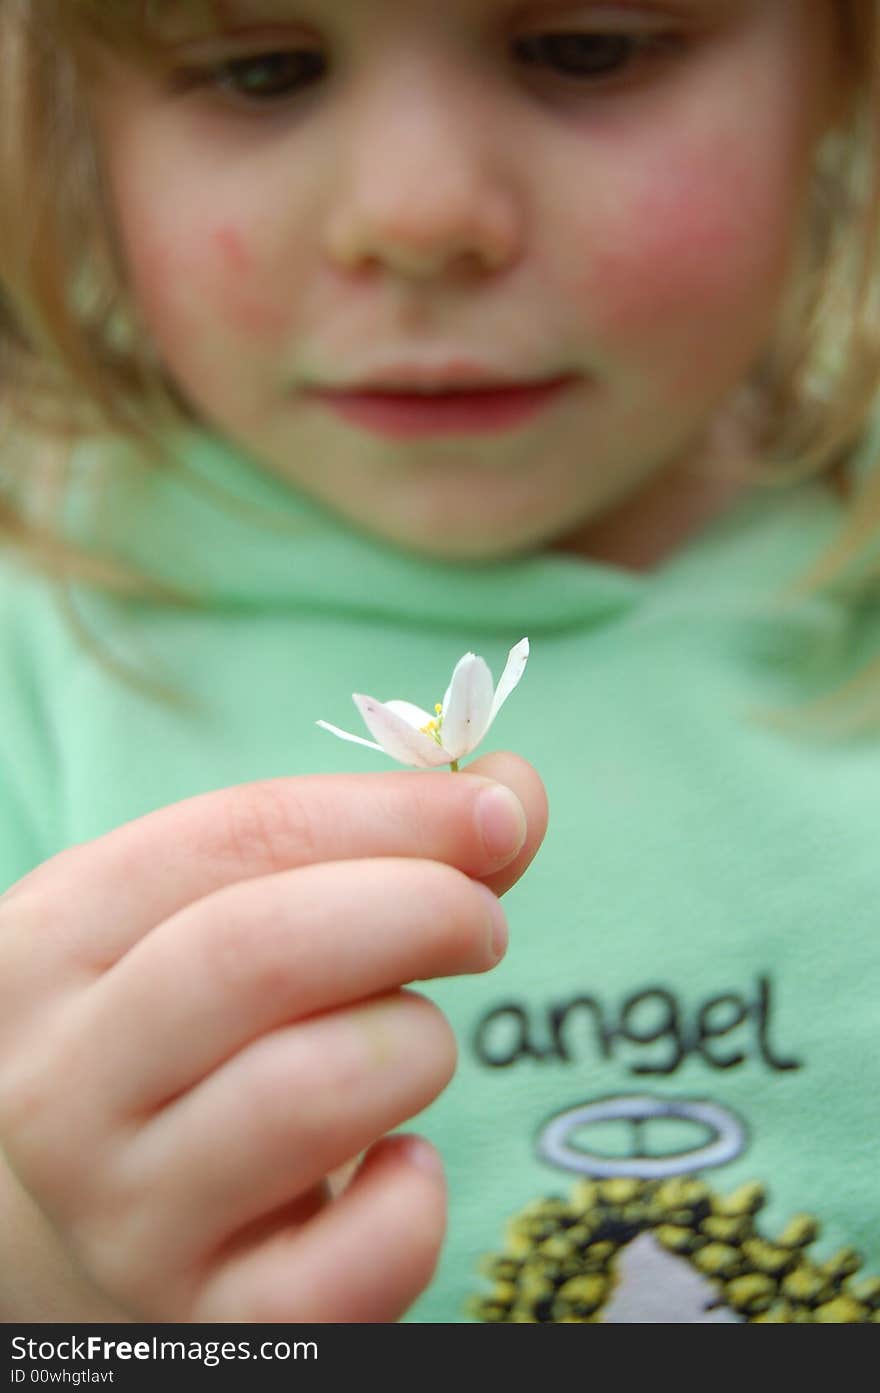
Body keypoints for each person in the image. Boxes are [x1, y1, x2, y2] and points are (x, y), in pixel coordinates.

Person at [0, 0, 878, 1326]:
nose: (417, 214)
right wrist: (57, 1287)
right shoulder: (38, 677)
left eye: (588, 47)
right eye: (262, 69)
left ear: (841, 65)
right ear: (71, 123)